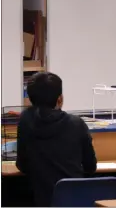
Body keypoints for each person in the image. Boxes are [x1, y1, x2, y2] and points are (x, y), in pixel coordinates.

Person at [16, 72, 97, 207]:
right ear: (60, 99)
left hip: (40, 200)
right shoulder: (77, 124)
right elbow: (91, 167)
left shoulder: (25, 121)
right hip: (76, 200)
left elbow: (22, 165)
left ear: (30, 99)